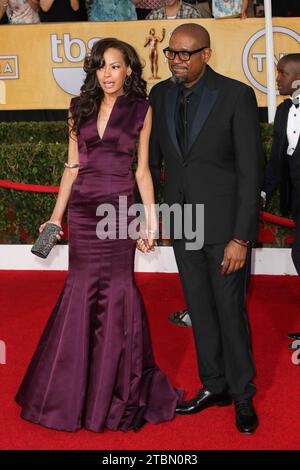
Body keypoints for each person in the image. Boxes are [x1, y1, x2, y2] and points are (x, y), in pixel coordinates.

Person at [15, 38, 182, 433]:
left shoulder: (142, 109)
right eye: (101, 67)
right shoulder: (78, 108)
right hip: (85, 212)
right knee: (81, 289)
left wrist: (150, 222)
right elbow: (71, 167)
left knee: (119, 291)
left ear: (128, 70)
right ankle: (70, 392)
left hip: (120, 212)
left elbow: (142, 170)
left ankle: (114, 391)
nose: (107, 74)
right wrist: (55, 219)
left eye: (115, 66)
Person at [145, 23, 262, 434]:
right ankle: (214, 385)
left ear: (206, 55)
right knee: (199, 309)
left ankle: (243, 395)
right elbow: (153, 162)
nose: (176, 60)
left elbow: (251, 173)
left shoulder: (235, 95)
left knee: (230, 310)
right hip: (183, 223)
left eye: (185, 54)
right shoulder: (159, 95)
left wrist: (241, 238)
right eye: (173, 53)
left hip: (225, 229)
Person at [262, 54, 300, 343]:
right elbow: (276, 159)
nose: (277, 80)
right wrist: (263, 192)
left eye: (282, 74)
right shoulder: (284, 110)